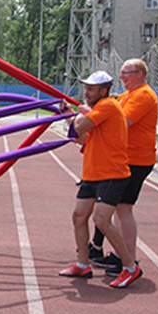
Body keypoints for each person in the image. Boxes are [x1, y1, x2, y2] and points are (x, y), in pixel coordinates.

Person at [58, 71, 140, 288]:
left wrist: (77, 115)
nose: (86, 93)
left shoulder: (107, 105)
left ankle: (131, 267)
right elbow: (79, 137)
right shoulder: (96, 111)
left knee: (102, 221)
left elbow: (80, 127)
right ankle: (83, 264)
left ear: (103, 91)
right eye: (85, 88)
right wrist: (70, 114)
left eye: (91, 89)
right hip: (93, 173)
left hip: (112, 174)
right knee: (78, 216)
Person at [87, 59, 158, 277]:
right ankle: (110, 251)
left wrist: (92, 118)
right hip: (124, 157)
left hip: (136, 159)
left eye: (126, 73)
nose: (122, 78)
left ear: (139, 74)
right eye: (121, 73)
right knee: (116, 207)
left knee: (123, 208)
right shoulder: (125, 96)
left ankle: (127, 257)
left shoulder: (143, 95)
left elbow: (121, 121)